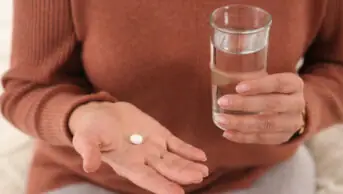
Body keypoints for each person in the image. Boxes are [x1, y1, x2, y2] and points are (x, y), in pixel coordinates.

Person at [1, 0, 342, 194]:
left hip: (257, 173)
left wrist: (308, 107)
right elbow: (27, 87)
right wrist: (83, 116)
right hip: (96, 179)